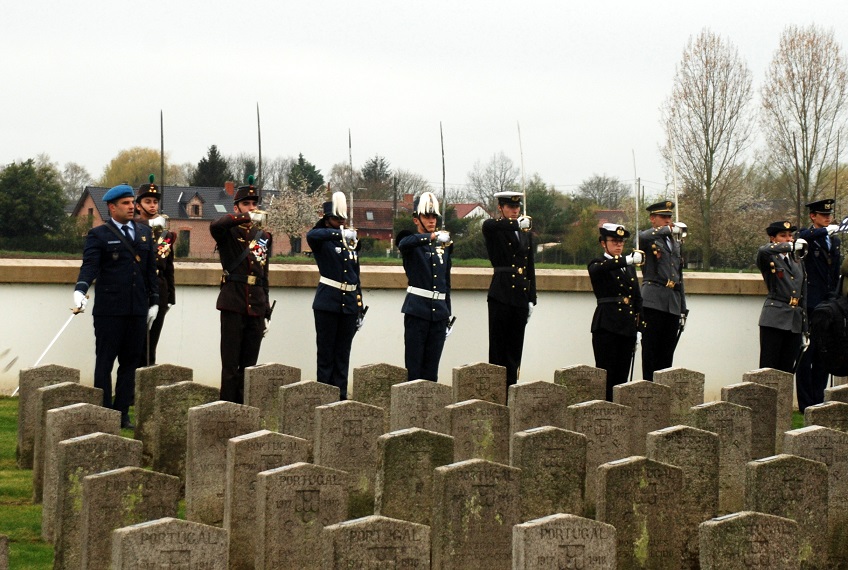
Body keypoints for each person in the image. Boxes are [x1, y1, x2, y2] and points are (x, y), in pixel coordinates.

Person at [73, 184, 159, 428]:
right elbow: (90, 265)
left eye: (132, 202)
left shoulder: (144, 233)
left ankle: (122, 412)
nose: (132, 207)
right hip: (110, 309)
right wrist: (80, 288)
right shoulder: (99, 235)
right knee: (105, 361)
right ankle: (103, 412)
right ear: (112, 207)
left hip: (136, 309)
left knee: (130, 363)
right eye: (126, 203)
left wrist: (154, 301)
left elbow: (150, 271)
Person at [209, 177, 272, 404]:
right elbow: (215, 226)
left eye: (254, 204)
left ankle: (243, 411)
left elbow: (264, 274)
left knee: (249, 365)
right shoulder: (228, 233)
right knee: (230, 364)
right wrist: (245, 217)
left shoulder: (263, 237)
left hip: (255, 304)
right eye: (247, 204)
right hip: (233, 301)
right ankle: (227, 407)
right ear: (236, 208)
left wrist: (266, 309)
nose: (252, 208)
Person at [306, 191, 364, 400]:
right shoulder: (323, 238)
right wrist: (339, 233)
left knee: (343, 356)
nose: (341, 223)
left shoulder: (350, 242)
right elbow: (312, 235)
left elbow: (355, 275)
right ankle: (324, 397)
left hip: (348, 304)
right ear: (327, 219)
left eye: (343, 219)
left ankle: (340, 397)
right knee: (326, 356)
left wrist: (359, 306)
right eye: (336, 219)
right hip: (327, 303)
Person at [397, 192, 453, 382]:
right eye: (427, 216)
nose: (431, 220)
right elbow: (404, 243)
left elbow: (446, 282)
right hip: (417, 310)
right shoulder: (412, 241)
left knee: (431, 370)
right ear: (416, 219)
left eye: (434, 217)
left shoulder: (443, 247)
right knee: (414, 368)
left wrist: (447, 313)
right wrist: (430, 236)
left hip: (439, 313)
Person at [483, 191, 536, 389]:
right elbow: (489, 225)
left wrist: (532, 297)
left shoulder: (525, 233)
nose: (515, 211)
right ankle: (496, 391)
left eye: (517, 207)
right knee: (498, 349)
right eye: (510, 208)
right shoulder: (494, 228)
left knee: (515, 350)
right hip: (501, 293)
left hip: (520, 296)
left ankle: (511, 389)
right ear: (501, 208)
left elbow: (530, 266)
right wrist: (517, 224)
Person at [796, 198, 842, 410]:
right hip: (811, 304)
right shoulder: (808, 237)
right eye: (823, 215)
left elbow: (834, 271)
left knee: (824, 353)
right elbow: (802, 237)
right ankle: (806, 402)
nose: (827, 218)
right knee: (807, 355)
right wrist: (825, 231)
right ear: (813, 216)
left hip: (829, 304)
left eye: (829, 215)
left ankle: (818, 401)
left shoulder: (834, 241)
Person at [588, 223, 644, 401]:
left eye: (621, 241)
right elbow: (600, 269)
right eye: (614, 241)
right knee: (606, 375)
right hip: (607, 326)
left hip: (626, 327)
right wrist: (626, 259)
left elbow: (637, 298)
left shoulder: (628, 268)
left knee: (622, 377)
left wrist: (639, 328)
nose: (619, 245)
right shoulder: (598, 263)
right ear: (603, 243)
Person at [638, 200, 687, 381]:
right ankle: (648, 387)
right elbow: (643, 237)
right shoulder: (649, 238)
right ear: (653, 219)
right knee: (651, 351)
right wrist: (668, 230)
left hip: (672, 303)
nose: (668, 221)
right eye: (663, 217)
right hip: (653, 300)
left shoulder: (675, 244)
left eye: (669, 217)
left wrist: (683, 307)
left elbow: (678, 277)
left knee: (667, 353)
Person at [756, 221, 808, 374]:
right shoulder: (769, 258)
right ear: (773, 239)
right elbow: (763, 251)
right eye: (783, 236)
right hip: (774, 317)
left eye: (790, 236)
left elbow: (803, 294)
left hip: (794, 320)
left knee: (787, 370)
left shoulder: (797, 260)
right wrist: (788, 246)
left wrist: (805, 328)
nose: (788, 239)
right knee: (768, 368)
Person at [135, 175, 176, 366]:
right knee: (137, 345)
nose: (152, 206)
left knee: (152, 346)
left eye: (155, 202)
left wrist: (170, 299)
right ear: (138, 206)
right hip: (139, 289)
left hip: (160, 291)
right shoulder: (133, 229)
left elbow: (169, 267)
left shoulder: (166, 235)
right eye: (147, 201)